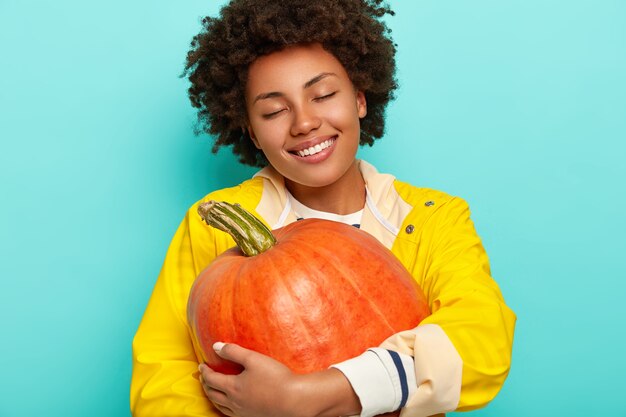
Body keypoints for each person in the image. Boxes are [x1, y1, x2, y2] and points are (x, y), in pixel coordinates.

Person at [130, 1, 516, 416]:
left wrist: (317, 396)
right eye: (274, 110)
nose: (304, 122)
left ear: (361, 99)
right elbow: (162, 378)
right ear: (252, 133)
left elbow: (482, 339)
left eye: (324, 94)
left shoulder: (433, 218)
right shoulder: (215, 224)